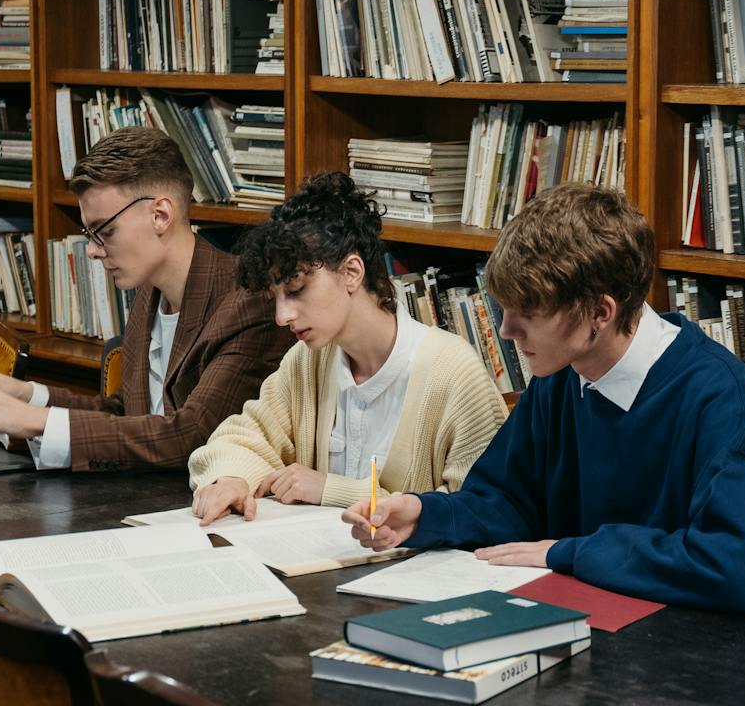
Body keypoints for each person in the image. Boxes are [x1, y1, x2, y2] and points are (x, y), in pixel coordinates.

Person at [343, 184, 745, 611]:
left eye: (527, 314)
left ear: (599, 313)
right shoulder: (560, 374)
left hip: (692, 649)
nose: (506, 331)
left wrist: (569, 552)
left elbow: (728, 568)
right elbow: (508, 501)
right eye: (505, 310)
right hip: (577, 622)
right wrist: (423, 515)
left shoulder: (719, 396)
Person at [0, 127, 285, 470]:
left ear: (161, 215)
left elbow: (192, 436)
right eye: (90, 234)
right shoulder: (147, 293)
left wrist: (39, 421)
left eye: (105, 231)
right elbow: (126, 413)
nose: (93, 251)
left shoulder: (250, 301)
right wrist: (28, 396)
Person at [187, 173, 508, 524]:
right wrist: (233, 478)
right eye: (274, 298)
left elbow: (482, 510)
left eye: (296, 290)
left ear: (352, 272)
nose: (282, 316)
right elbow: (243, 436)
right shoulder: (307, 360)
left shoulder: (455, 372)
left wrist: (331, 489)